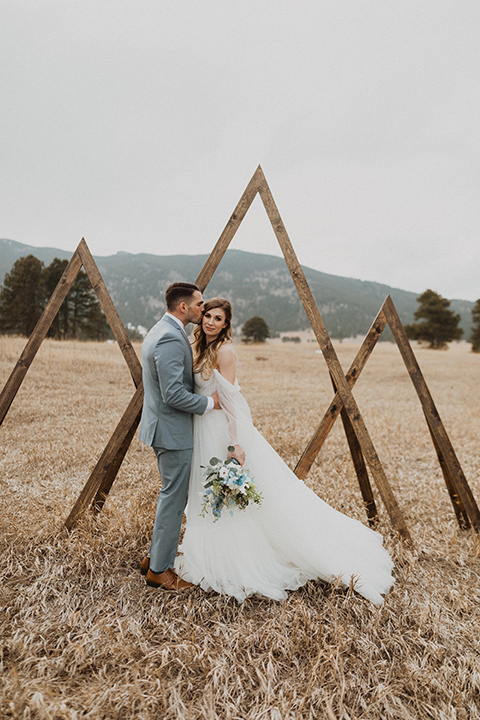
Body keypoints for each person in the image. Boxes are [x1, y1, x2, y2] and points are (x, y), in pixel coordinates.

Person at [174, 297, 395, 605]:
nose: (210, 322)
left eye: (218, 319)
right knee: (204, 491)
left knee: (231, 496)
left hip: (219, 429)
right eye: (208, 315)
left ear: (226, 325)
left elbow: (232, 400)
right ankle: (207, 549)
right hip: (201, 427)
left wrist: (235, 443)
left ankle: (234, 557)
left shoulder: (224, 351)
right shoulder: (196, 345)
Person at [138, 282, 220, 592]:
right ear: (183, 307)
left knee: (170, 495)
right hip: (172, 431)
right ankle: (160, 571)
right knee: (174, 498)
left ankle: (155, 557)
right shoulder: (171, 338)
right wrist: (211, 403)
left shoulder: (161, 329)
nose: (203, 308)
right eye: (200, 304)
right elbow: (172, 394)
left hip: (164, 427)